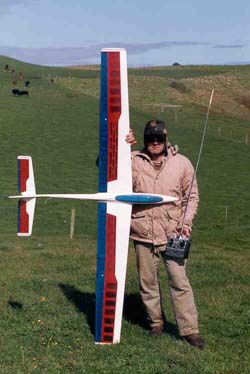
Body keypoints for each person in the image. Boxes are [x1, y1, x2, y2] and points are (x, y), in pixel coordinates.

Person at [126, 119, 205, 349]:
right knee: (147, 282)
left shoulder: (182, 164)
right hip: (142, 234)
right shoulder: (131, 160)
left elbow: (192, 197)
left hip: (173, 234)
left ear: (165, 139)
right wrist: (121, 145)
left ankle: (190, 330)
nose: (155, 142)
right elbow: (103, 165)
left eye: (159, 138)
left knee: (179, 282)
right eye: (150, 137)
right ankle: (156, 323)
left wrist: (186, 223)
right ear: (144, 139)